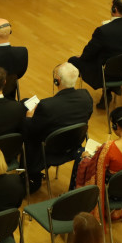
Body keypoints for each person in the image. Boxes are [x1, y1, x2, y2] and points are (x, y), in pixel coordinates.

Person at [25, 63, 94, 191]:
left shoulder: (46, 105)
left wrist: (29, 117)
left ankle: (31, 173)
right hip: (74, 144)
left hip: (50, 150)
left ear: (58, 81)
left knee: (26, 128)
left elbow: (33, 130)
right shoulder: (86, 96)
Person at [68, 0, 122, 107]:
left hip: (109, 74)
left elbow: (87, 55)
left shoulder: (103, 31)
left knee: (73, 60)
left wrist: (81, 57)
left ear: (114, 9)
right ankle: (110, 90)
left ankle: (106, 90)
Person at [73, 107, 122, 219]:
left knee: (82, 160)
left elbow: (95, 169)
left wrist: (87, 157)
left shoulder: (110, 147)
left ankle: (76, 205)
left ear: (116, 126)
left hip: (115, 194)